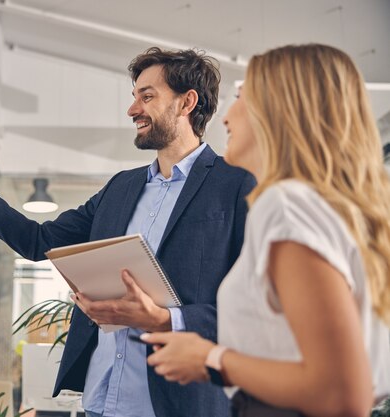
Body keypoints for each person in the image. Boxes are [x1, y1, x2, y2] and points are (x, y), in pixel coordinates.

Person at [0, 47, 256, 417]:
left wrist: (165, 318)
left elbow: (252, 311)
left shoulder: (235, 187)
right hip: (101, 401)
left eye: (147, 96)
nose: (133, 109)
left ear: (187, 103)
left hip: (178, 405)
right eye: (134, 97)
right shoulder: (121, 188)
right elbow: (40, 241)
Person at [142, 44, 390, 417]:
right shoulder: (339, 210)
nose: (227, 113)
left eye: (242, 96)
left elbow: (341, 392)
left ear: (281, 108)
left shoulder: (287, 205)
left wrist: (211, 359)